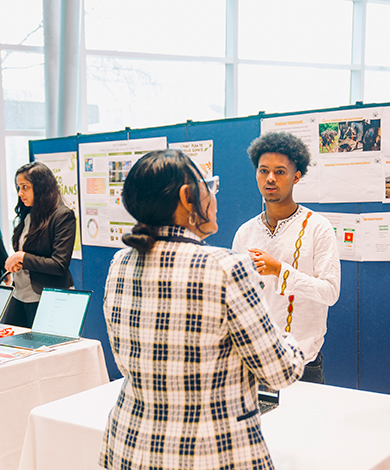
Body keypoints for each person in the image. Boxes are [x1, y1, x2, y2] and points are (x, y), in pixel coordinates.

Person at [99, 149, 304, 470]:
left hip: (131, 446)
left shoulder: (120, 263)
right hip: (208, 453)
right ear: (187, 197)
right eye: (209, 186)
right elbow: (280, 371)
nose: (214, 196)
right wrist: (287, 337)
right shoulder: (225, 268)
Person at [232, 132, 341, 384]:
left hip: (303, 365)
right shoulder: (245, 233)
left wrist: (280, 270)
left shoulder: (318, 227)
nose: (270, 178)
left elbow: (330, 292)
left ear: (296, 177)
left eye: (280, 172)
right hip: (254, 365)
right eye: (263, 170)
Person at [3, 161, 76, 327]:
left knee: (45, 351)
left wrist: (23, 257)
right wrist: (18, 262)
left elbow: (59, 265)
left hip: (47, 297)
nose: (20, 193)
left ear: (41, 187)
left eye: (25, 187)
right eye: (18, 187)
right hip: (19, 294)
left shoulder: (62, 216)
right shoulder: (27, 214)